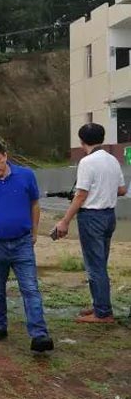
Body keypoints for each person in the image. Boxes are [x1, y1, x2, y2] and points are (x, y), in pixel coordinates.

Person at [0, 141, 54, 352]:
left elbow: (34, 204)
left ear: (6, 156)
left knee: (30, 288)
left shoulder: (26, 175)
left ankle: (39, 334)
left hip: (22, 242)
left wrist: (34, 231)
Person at [55, 123, 126, 323]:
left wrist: (65, 221)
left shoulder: (87, 162)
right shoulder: (112, 159)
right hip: (109, 216)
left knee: (95, 266)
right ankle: (99, 305)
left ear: (81, 141)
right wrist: (104, 190)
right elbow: (121, 190)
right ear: (102, 138)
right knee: (100, 263)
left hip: (91, 217)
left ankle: (102, 312)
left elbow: (81, 195)